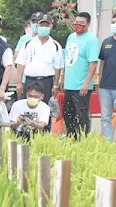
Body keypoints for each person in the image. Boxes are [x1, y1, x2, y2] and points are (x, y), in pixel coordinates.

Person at [15, 13, 63, 132]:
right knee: (27, 107)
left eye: (47, 25)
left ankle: (44, 134)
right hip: (30, 79)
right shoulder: (28, 43)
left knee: (45, 109)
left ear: (51, 26)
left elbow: (58, 68)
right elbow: (21, 64)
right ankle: (25, 133)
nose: (44, 27)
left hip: (46, 81)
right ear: (37, 25)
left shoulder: (55, 46)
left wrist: (55, 85)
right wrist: (19, 82)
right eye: (42, 25)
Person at [61, 11, 100, 139]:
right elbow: (68, 59)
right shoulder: (71, 37)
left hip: (81, 86)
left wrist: (86, 83)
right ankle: (71, 138)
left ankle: (83, 140)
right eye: (76, 23)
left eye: (82, 23)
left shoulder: (91, 40)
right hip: (69, 84)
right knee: (68, 114)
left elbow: (93, 63)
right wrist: (63, 78)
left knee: (82, 115)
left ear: (88, 24)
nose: (78, 25)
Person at [97, 12, 116, 142]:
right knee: (105, 117)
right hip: (105, 86)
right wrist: (99, 80)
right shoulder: (106, 42)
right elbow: (102, 62)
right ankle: (108, 145)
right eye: (114, 22)